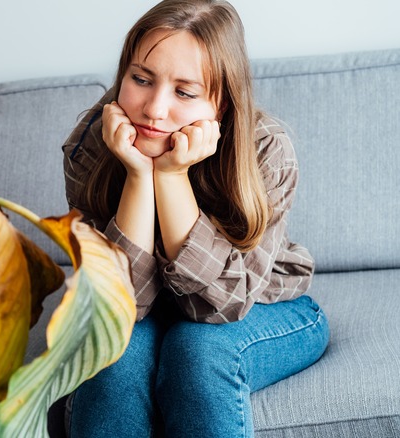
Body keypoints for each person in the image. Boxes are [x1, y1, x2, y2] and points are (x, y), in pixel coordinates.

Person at [61, 0, 330, 436]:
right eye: (141, 79)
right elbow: (117, 309)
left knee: (198, 350)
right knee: (114, 353)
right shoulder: (92, 141)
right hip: (145, 314)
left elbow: (221, 305)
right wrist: (136, 173)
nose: (153, 109)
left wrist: (171, 176)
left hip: (262, 305)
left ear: (221, 103)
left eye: (184, 92)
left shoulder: (265, 151)